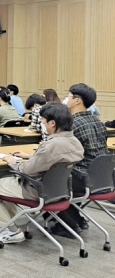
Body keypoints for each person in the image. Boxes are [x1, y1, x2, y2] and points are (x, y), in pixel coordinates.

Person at [0, 103, 83, 244]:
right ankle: (10, 224)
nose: (42, 124)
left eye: (43, 121)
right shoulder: (75, 142)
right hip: (59, 191)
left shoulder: (50, 145)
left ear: (53, 123)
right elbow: (54, 161)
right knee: (2, 185)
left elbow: (26, 170)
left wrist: (11, 160)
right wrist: (33, 157)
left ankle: (11, 231)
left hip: (36, 190)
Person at [54, 83, 108, 237]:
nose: (65, 99)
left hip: (80, 177)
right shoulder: (98, 121)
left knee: (46, 179)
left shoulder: (72, 124)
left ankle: (68, 225)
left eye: (68, 96)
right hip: (100, 178)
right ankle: (77, 219)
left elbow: (61, 154)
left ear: (77, 100)